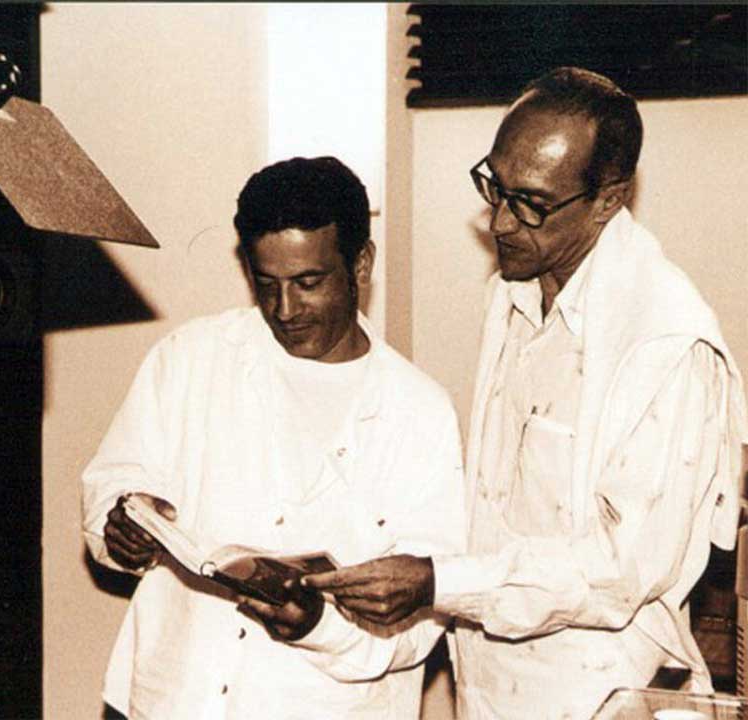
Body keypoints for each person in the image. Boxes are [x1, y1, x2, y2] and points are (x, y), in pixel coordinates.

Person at [304, 67, 748, 719]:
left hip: (601, 695)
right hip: (487, 687)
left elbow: (620, 570)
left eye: (531, 203)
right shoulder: (515, 286)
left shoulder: (666, 344)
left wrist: (439, 581)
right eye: (495, 188)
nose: (501, 223)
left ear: (607, 200)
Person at [82, 156, 466, 719]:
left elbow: (424, 612)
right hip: (173, 697)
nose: (285, 310)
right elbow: (113, 481)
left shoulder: (420, 412)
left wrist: (320, 627)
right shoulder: (192, 357)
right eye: (267, 284)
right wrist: (120, 526)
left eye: (309, 283)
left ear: (361, 264)